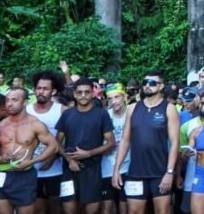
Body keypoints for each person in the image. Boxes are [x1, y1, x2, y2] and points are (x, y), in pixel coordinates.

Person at [112, 70, 180, 214]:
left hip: (160, 172)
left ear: (161, 86)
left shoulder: (169, 108)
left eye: (152, 83)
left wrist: (169, 172)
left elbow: (175, 144)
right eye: (145, 83)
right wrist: (116, 170)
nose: (147, 86)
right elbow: (125, 141)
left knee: (162, 211)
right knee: (134, 211)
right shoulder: (132, 108)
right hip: (136, 172)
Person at [0, 88, 60, 214]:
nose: (9, 103)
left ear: (25, 102)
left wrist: (31, 162)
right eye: (7, 100)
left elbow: (54, 146)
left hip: (24, 176)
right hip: (1, 174)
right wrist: (0, 158)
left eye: (14, 100)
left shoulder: (35, 124)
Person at [56, 78, 115, 214]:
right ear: (75, 94)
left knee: (92, 211)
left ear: (92, 93)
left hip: (92, 169)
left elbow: (111, 143)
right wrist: (70, 160)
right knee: (69, 210)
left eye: (87, 92)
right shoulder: (67, 114)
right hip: (69, 169)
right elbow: (56, 142)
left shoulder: (102, 114)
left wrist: (88, 154)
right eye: (79, 92)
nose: (83, 95)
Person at [27, 70, 65, 214]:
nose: (41, 92)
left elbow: (67, 139)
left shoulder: (62, 110)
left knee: (56, 208)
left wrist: (52, 157)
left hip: (56, 169)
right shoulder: (26, 111)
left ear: (53, 91)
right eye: (38, 88)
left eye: (45, 88)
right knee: (38, 209)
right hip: (31, 170)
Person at [101, 83, 130, 214]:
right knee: (106, 207)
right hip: (106, 167)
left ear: (124, 97)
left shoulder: (132, 114)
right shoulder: (105, 116)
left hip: (128, 166)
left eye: (117, 97)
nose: (114, 101)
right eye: (110, 98)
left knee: (125, 207)